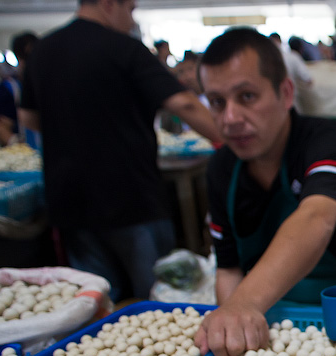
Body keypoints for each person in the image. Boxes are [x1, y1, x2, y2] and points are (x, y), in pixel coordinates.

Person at [19, 0, 220, 303]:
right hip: (129, 194)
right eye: (130, 8)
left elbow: (28, 118)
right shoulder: (124, 49)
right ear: (109, 4)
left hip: (70, 198)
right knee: (158, 298)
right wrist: (231, 143)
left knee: (97, 301)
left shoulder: (44, 50)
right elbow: (184, 104)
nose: (132, 17)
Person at [196, 28, 336, 356]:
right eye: (217, 102)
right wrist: (232, 329)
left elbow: (316, 217)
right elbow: (228, 269)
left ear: (285, 93)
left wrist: (244, 303)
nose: (230, 118)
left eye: (247, 97)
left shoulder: (332, 140)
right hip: (270, 324)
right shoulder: (221, 168)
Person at [0, 32, 37, 147]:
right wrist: (16, 144)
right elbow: (0, 128)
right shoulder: (9, 88)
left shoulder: (49, 84)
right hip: (25, 156)